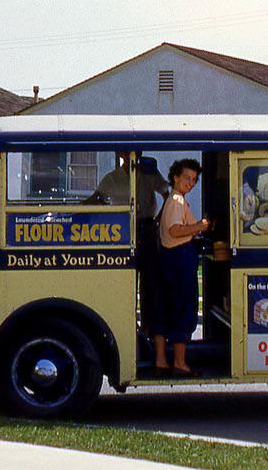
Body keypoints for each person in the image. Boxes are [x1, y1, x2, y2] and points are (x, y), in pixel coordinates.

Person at [89, 152, 169, 334]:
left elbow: (167, 194)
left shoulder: (150, 174)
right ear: (121, 154)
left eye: (135, 151)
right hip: (123, 231)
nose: (131, 155)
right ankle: (128, 326)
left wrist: (159, 218)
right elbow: (95, 200)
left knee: (150, 282)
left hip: (147, 228)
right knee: (125, 280)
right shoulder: (112, 178)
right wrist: (74, 212)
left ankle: (148, 328)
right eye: (126, 151)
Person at [154, 158, 210, 377]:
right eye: (187, 178)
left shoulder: (172, 199)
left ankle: (161, 360)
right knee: (183, 309)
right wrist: (200, 226)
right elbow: (176, 230)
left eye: (194, 180)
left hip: (169, 259)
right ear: (175, 177)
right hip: (179, 259)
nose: (190, 183)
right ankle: (180, 362)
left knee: (165, 309)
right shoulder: (177, 200)